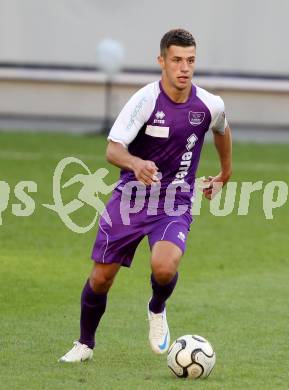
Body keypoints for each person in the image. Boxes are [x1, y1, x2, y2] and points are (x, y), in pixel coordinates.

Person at [59, 28, 232, 362]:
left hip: (174, 202)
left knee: (164, 267)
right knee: (101, 279)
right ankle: (85, 344)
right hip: (130, 201)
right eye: (177, 60)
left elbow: (223, 128)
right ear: (162, 61)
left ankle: (157, 307)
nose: (184, 68)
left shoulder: (209, 104)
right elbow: (113, 149)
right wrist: (135, 163)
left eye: (191, 61)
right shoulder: (145, 100)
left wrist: (225, 173)